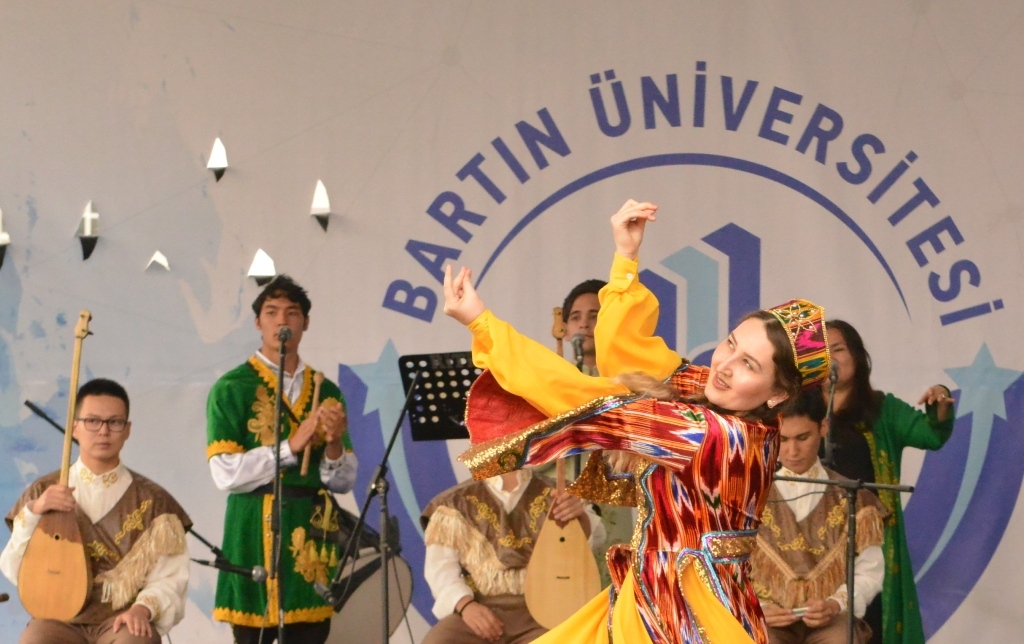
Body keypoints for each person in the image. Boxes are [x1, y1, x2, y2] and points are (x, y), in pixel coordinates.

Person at [441, 199, 832, 644]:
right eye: (730, 344)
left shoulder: (709, 432)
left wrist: (482, 324)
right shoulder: (735, 408)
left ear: (778, 394)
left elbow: (586, 398)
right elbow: (632, 359)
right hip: (672, 601)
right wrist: (625, 259)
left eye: (749, 364)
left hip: (679, 619)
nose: (725, 365)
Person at [206, 275, 357, 644]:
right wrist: (290, 448)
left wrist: (334, 443)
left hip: (310, 526)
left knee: (311, 632)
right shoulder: (232, 387)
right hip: (252, 528)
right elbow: (224, 472)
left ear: (305, 322)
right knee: (250, 634)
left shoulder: (327, 390)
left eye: (292, 313)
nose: (281, 321)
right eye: (271, 312)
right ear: (258, 322)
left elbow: (342, 482)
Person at [1, 378, 191, 644]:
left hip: (120, 620)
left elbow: (171, 577)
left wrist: (142, 609)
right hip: (57, 619)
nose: (103, 431)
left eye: (114, 422)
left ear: (127, 430)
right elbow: (13, 569)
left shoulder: (155, 502)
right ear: (74, 428)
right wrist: (35, 511)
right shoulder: (44, 490)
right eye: (92, 421)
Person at [823, 320, 955, 644]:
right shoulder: (802, 412)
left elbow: (931, 434)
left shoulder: (883, 409)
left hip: (872, 539)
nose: (830, 358)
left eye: (838, 349)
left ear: (857, 355)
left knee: (872, 622)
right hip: (816, 538)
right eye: (821, 352)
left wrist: (941, 400)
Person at [750, 389, 887, 644]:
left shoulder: (856, 498)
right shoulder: (748, 496)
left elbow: (870, 572)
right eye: (783, 439)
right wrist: (756, 607)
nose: (792, 451)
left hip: (831, 618)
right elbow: (725, 567)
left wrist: (836, 604)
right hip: (767, 618)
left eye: (803, 437)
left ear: (823, 427)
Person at [420, 469, 605, 644]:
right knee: (439, 640)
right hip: (481, 608)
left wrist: (578, 515)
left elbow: (595, 541)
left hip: (546, 611)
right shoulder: (454, 502)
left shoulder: (559, 493)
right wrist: (466, 606)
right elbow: (440, 570)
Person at [561, 279, 605, 375]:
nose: (584, 324)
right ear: (565, 331)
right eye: (576, 318)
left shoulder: (634, 382)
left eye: (594, 317)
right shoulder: (556, 379)